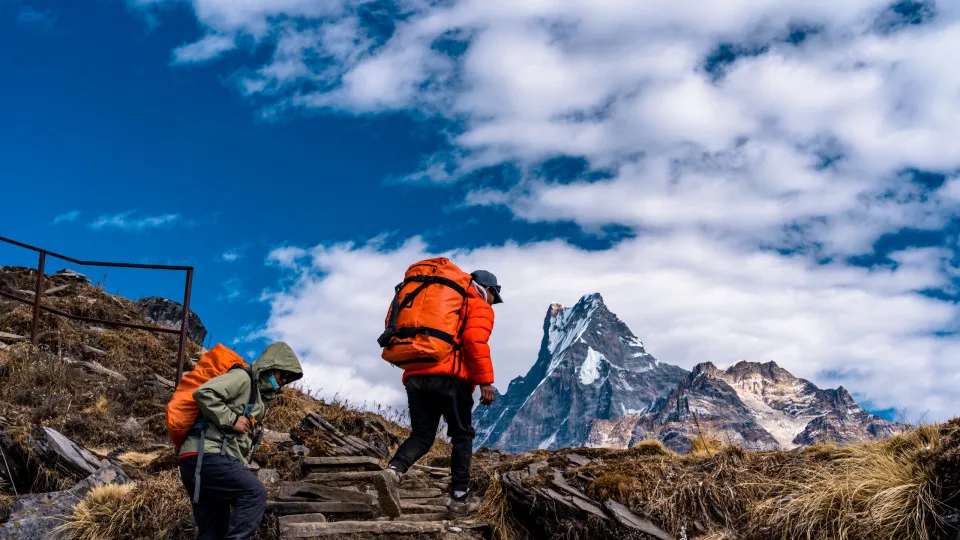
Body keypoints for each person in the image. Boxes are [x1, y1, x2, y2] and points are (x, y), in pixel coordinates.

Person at [375, 269, 502, 518]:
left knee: (422, 435)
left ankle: (392, 472)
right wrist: (485, 382)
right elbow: (475, 341)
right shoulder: (476, 304)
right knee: (462, 435)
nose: (492, 302)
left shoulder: (438, 299)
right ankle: (459, 498)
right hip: (450, 378)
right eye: (494, 296)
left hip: (416, 376)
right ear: (487, 289)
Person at [178, 342, 304, 539]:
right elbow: (204, 393)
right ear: (271, 367)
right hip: (208, 455)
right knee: (255, 492)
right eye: (283, 375)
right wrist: (232, 420)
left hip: (196, 460)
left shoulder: (258, 395)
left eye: (288, 380)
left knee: (214, 532)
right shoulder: (243, 378)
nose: (284, 382)